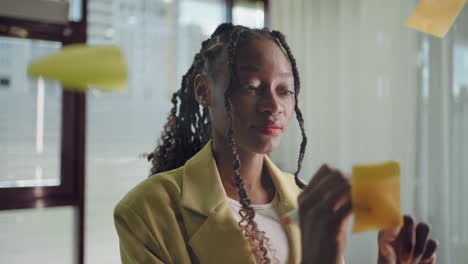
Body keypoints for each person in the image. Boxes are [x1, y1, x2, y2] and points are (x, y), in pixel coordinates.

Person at [114, 23, 437, 264]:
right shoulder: (148, 209)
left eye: (284, 90)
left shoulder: (305, 199)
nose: (273, 105)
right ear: (203, 90)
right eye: (251, 86)